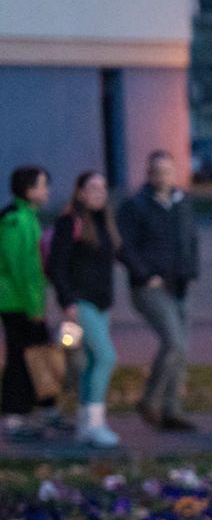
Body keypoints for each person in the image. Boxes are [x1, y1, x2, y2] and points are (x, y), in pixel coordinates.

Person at [117, 150, 200, 432]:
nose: (163, 176)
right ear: (149, 174)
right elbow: (123, 246)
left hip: (179, 284)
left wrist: (192, 270)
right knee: (174, 343)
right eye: (157, 171)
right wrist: (145, 274)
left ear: (174, 173)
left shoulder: (182, 202)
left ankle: (171, 411)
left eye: (167, 170)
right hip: (150, 287)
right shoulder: (135, 206)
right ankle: (150, 400)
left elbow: (191, 238)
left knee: (182, 350)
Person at [45, 171, 122, 447]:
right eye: (92, 188)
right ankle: (95, 424)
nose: (98, 192)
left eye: (102, 187)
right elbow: (57, 265)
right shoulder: (69, 222)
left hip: (102, 303)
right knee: (106, 357)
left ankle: (86, 424)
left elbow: (120, 255)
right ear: (79, 192)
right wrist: (67, 302)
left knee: (91, 362)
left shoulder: (106, 222)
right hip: (81, 303)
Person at [0, 166, 61, 440]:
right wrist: (34, 309)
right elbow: (21, 269)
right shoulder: (15, 220)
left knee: (35, 355)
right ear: (28, 190)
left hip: (24, 301)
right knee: (20, 357)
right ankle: (15, 415)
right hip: (16, 303)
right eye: (42, 185)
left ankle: (39, 409)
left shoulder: (27, 217)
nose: (46, 191)